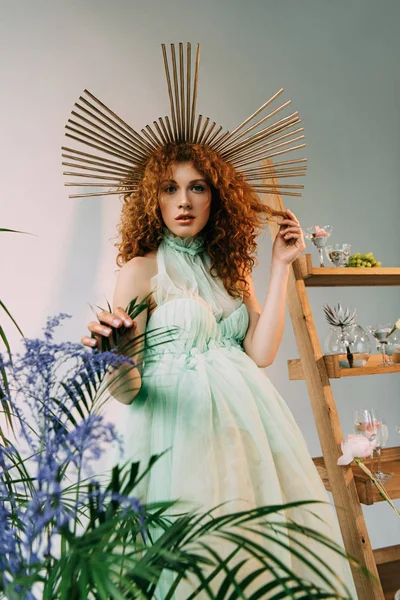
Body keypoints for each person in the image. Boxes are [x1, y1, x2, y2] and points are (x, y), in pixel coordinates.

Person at [80, 142, 357, 597]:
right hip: (177, 437)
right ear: (155, 199)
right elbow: (128, 391)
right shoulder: (141, 270)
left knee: (251, 556)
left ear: (216, 196)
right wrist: (116, 353)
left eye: (197, 187)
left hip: (245, 428)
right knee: (195, 559)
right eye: (170, 189)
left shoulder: (228, 269)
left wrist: (280, 267)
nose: (184, 201)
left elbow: (261, 352)